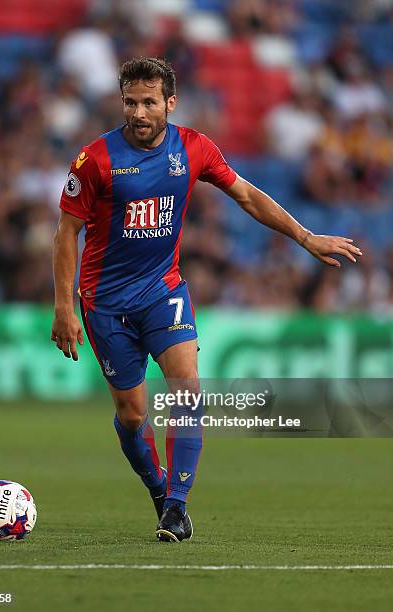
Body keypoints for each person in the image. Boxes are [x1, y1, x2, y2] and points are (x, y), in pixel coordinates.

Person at [51, 57, 362, 542]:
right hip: (105, 304)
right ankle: (158, 490)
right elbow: (66, 231)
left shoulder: (194, 148)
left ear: (170, 103)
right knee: (132, 415)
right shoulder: (94, 160)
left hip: (163, 291)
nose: (138, 112)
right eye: (130, 102)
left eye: (149, 102)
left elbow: (247, 196)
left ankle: (177, 506)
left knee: (187, 390)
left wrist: (305, 237)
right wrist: (64, 306)